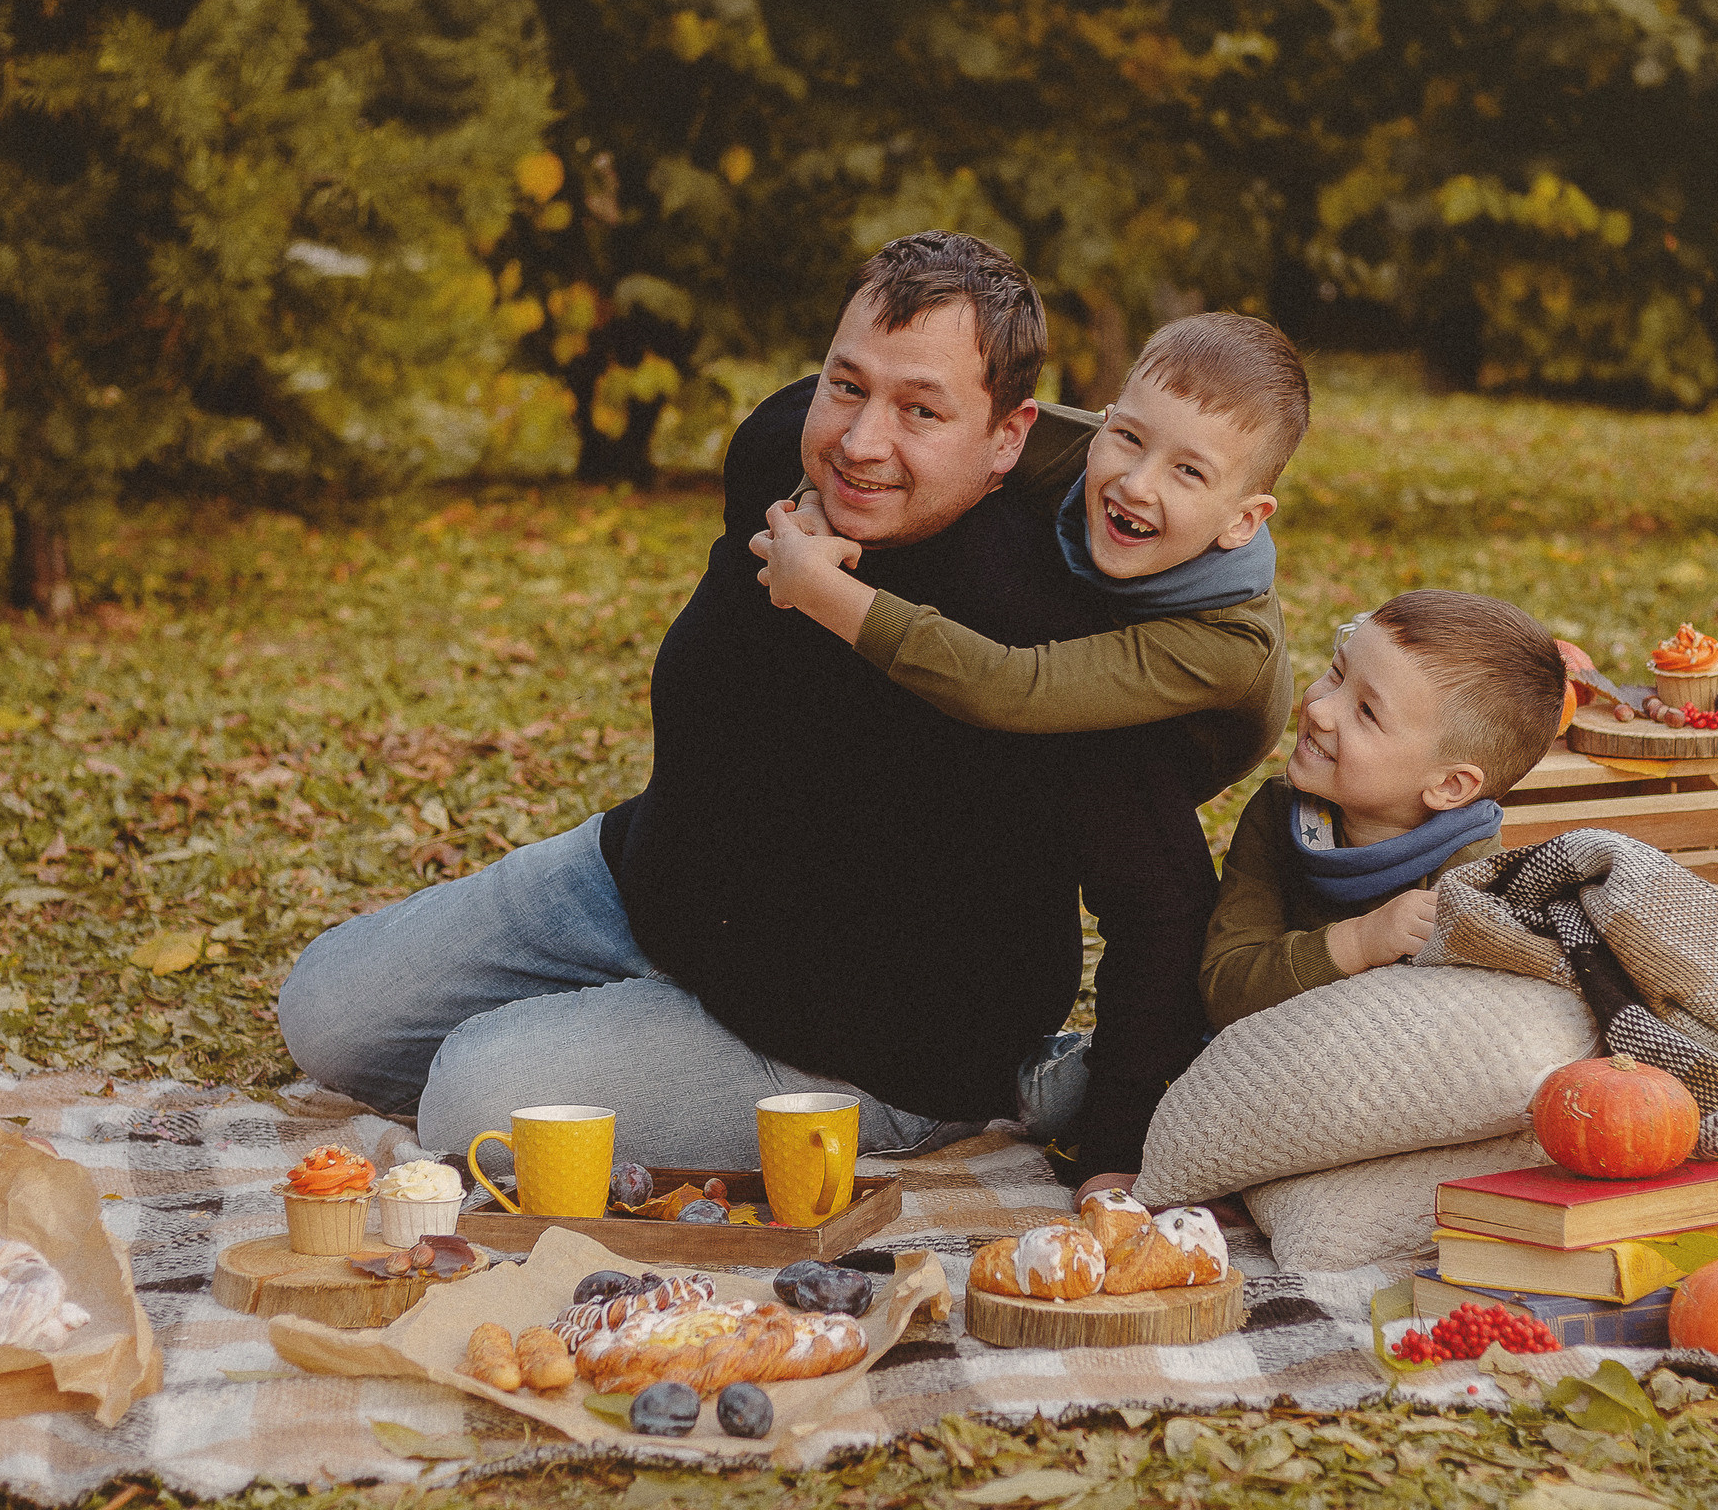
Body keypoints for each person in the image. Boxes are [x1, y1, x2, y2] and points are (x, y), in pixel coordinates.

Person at [275, 232, 1214, 1198]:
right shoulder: (780, 453)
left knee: (473, 1097)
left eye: (921, 410)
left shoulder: (1047, 625)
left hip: (874, 1037)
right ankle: (632, 1018)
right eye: (847, 385)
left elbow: (1165, 896)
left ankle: (998, 1089)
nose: (860, 443)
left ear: (1009, 437)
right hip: (656, 888)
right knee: (327, 1013)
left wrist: (1115, 1151)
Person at [751, 312, 1308, 801]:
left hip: (1155, 754)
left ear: (1243, 521)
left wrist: (819, 588)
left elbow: (1015, 688)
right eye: (1130, 437)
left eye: (1188, 471)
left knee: (1107, 779)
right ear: (1106, 420)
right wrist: (812, 510)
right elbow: (871, 440)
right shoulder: (1084, 448)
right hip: (1049, 665)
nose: (1137, 483)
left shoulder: (1232, 643)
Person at [1198, 590, 1567, 1030]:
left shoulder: (1470, 883)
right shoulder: (1280, 816)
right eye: (1337, 673)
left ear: (1449, 785)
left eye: (1367, 712)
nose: (1318, 708)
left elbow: (1466, 1033)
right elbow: (1224, 991)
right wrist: (1359, 941)